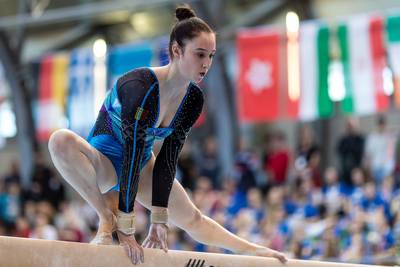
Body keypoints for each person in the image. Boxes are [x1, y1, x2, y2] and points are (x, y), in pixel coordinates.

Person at [48, 4, 286, 265]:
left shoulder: (193, 99)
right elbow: (131, 152)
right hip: (103, 165)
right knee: (60, 140)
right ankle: (106, 216)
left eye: (211, 55)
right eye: (199, 54)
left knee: (192, 218)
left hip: (142, 165)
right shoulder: (140, 87)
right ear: (176, 50)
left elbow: (168, 158)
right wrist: (125, 227)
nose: (206, 64)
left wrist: (159, 218)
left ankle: (254, 251)